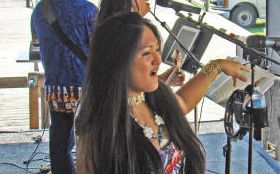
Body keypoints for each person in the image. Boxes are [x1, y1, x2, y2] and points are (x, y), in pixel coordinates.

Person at [75, 12, 251, 174]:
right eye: (146, 53)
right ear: (118, 60)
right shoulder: (97, 126)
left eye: (157, 50)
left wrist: (216, 66)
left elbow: (183, 101)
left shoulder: (156, 95)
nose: (158, 59)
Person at [31, 0, 97, 174]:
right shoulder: (88, 10)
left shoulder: (40, 9)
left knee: (59, 144)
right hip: (85, 89)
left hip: (56, 90)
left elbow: (36, 43)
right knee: (90, 142)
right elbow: (98, 49)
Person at [98, 0, 184, 83]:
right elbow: (128, 88)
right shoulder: (124, 34)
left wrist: (163, 79)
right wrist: (212, 68)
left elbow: (132, 84)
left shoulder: (109, 29)